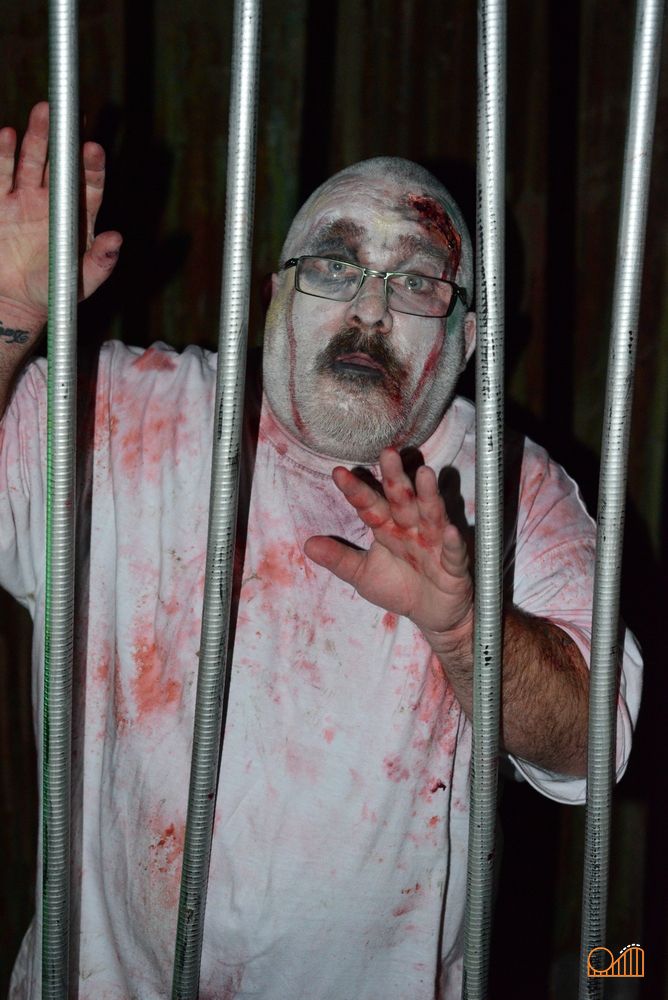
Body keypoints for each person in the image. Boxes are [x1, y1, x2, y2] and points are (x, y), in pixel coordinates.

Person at [0, 103, 641, 1000]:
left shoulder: (509, 487)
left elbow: (592, 747)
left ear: (467, 339)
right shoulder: (124, 413)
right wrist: (7, 312)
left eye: (417, 282)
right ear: (274, 296)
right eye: (335, 266)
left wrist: (466, 632)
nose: (370, 310)